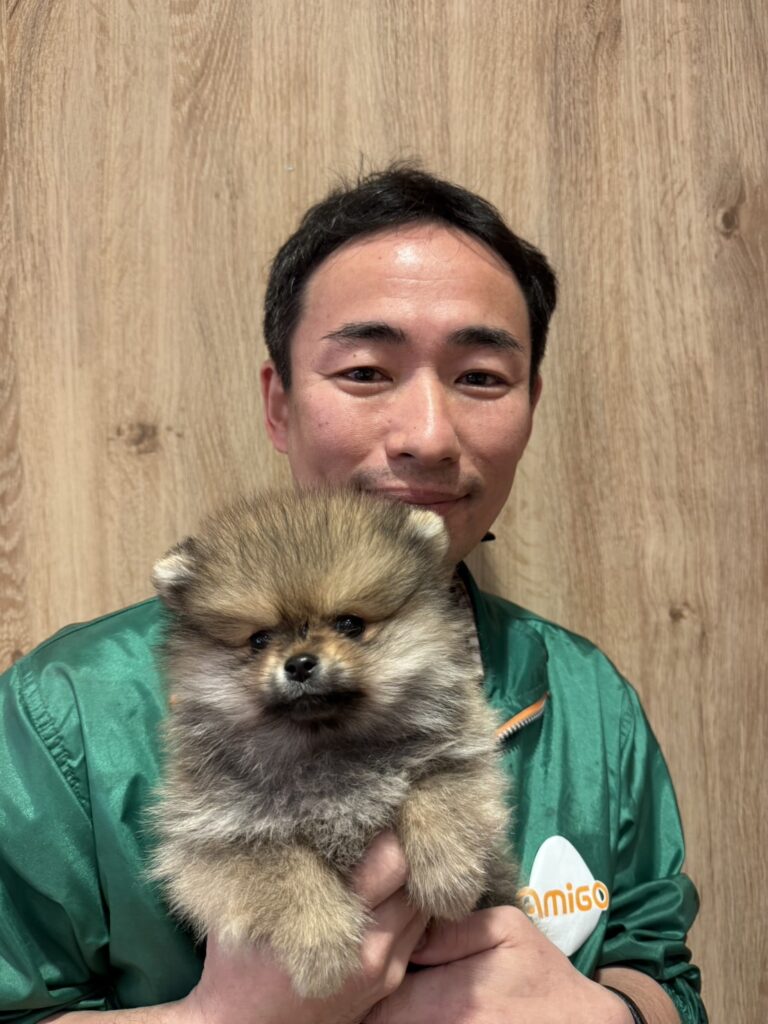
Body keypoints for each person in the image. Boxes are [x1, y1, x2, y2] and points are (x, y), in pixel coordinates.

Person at [0, 166, 707, 1024]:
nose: (428, 435)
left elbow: (659, 966)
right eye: (367, 371)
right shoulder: (65, 716)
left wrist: (612, 1015)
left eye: (482, 376)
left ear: (532, 403)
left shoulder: (591, 701)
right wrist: (216, 1019)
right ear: (279, 404)